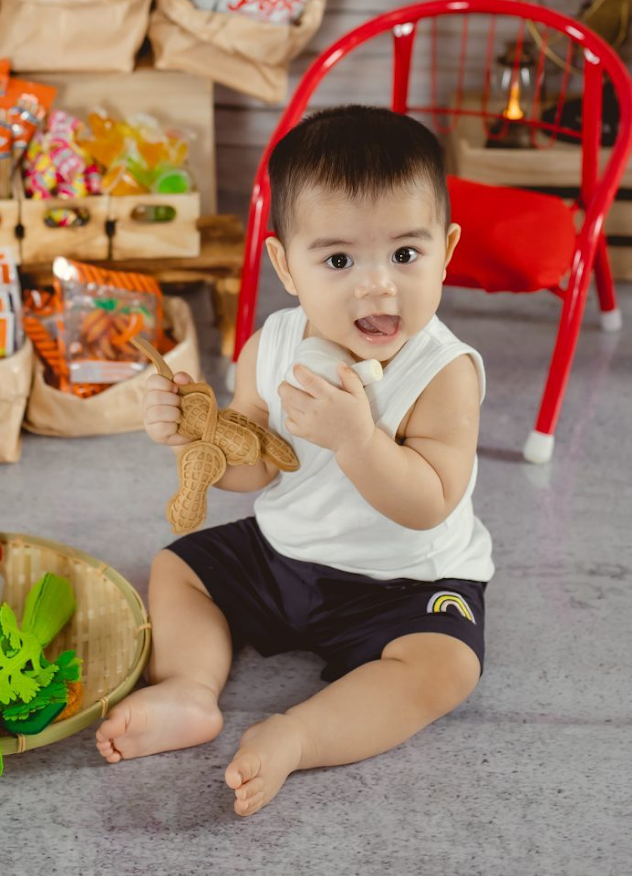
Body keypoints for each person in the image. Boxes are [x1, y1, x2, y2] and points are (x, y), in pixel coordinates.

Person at [96, 105, 494, 818]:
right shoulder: (270, 346)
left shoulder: (442, 372)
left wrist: (357, 440)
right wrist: (200, 440)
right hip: (287, 551)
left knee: (445, 668)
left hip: (401, 580)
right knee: (176, 566)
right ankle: (190, 688)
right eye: (338, 260)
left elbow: (429, 500)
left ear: (446, 249)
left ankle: (299, 734)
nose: (376, 286)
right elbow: (256, 465)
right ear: (285, 264)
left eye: (405, 254)